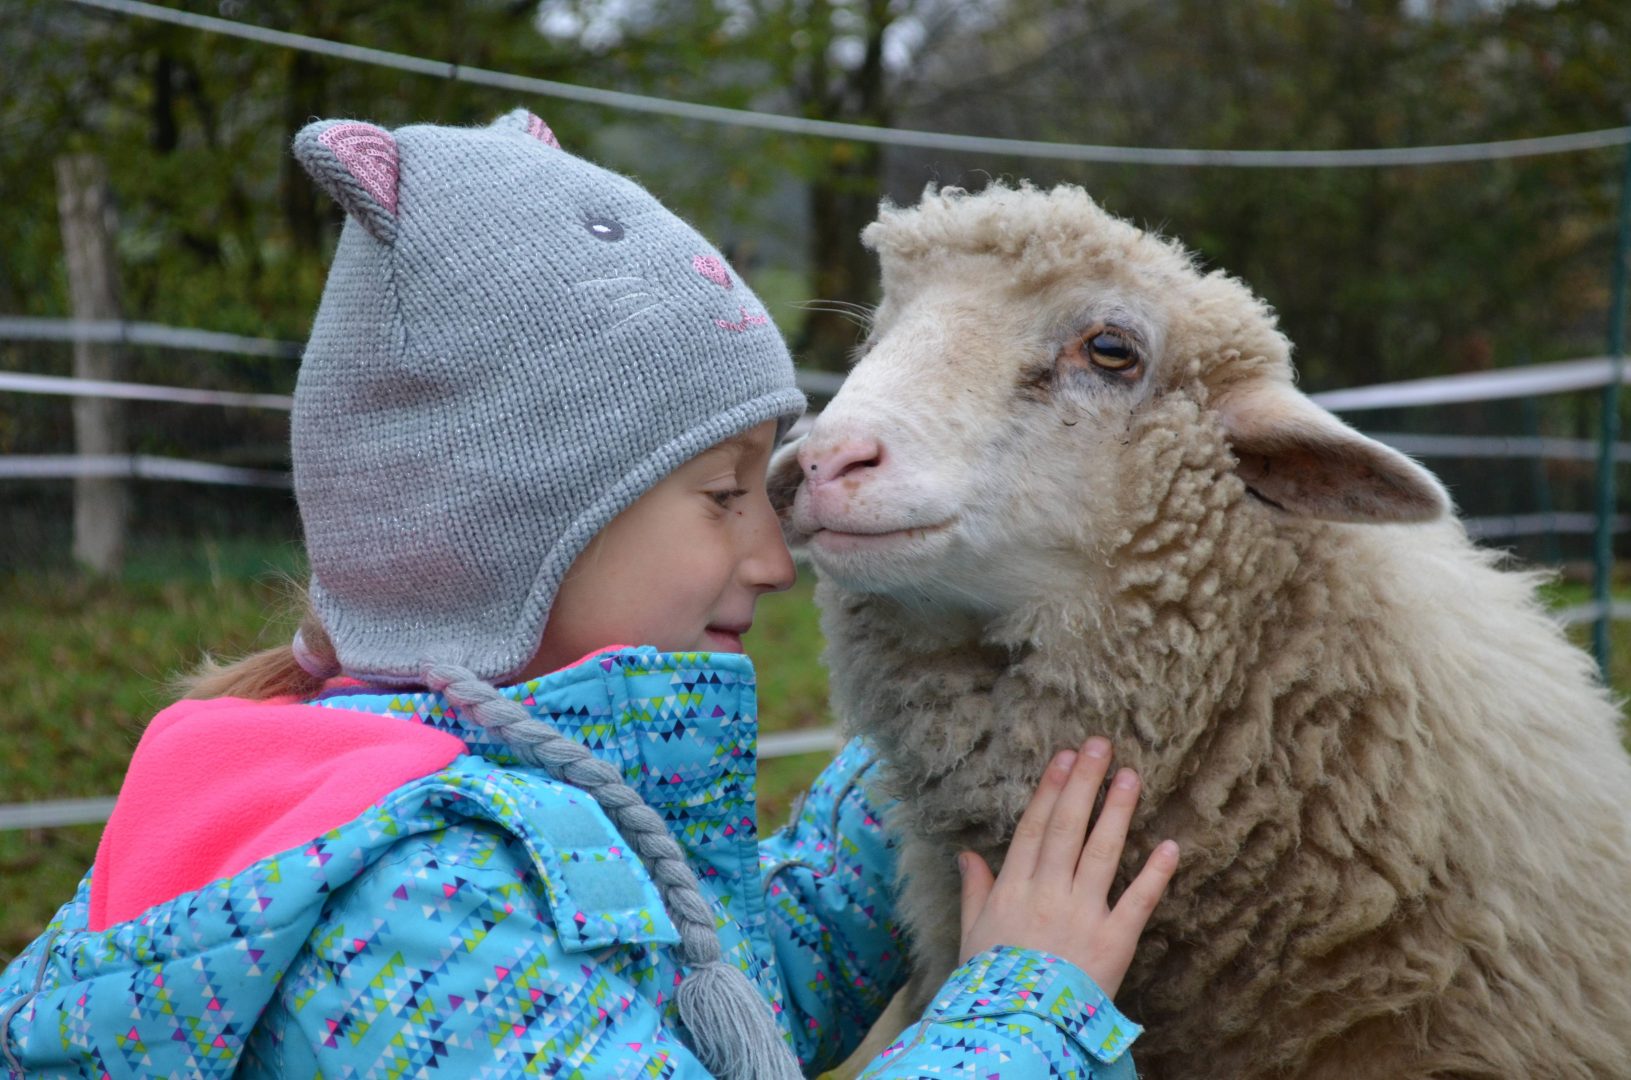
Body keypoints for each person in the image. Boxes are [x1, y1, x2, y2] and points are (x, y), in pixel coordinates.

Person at [0, 110, 1178, 1079]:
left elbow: (730, 1010)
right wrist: (1028, 1012)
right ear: (521, 530)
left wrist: (933, 759)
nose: (774, 557)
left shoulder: (509, 796)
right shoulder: (417, 909)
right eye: (723, 495)